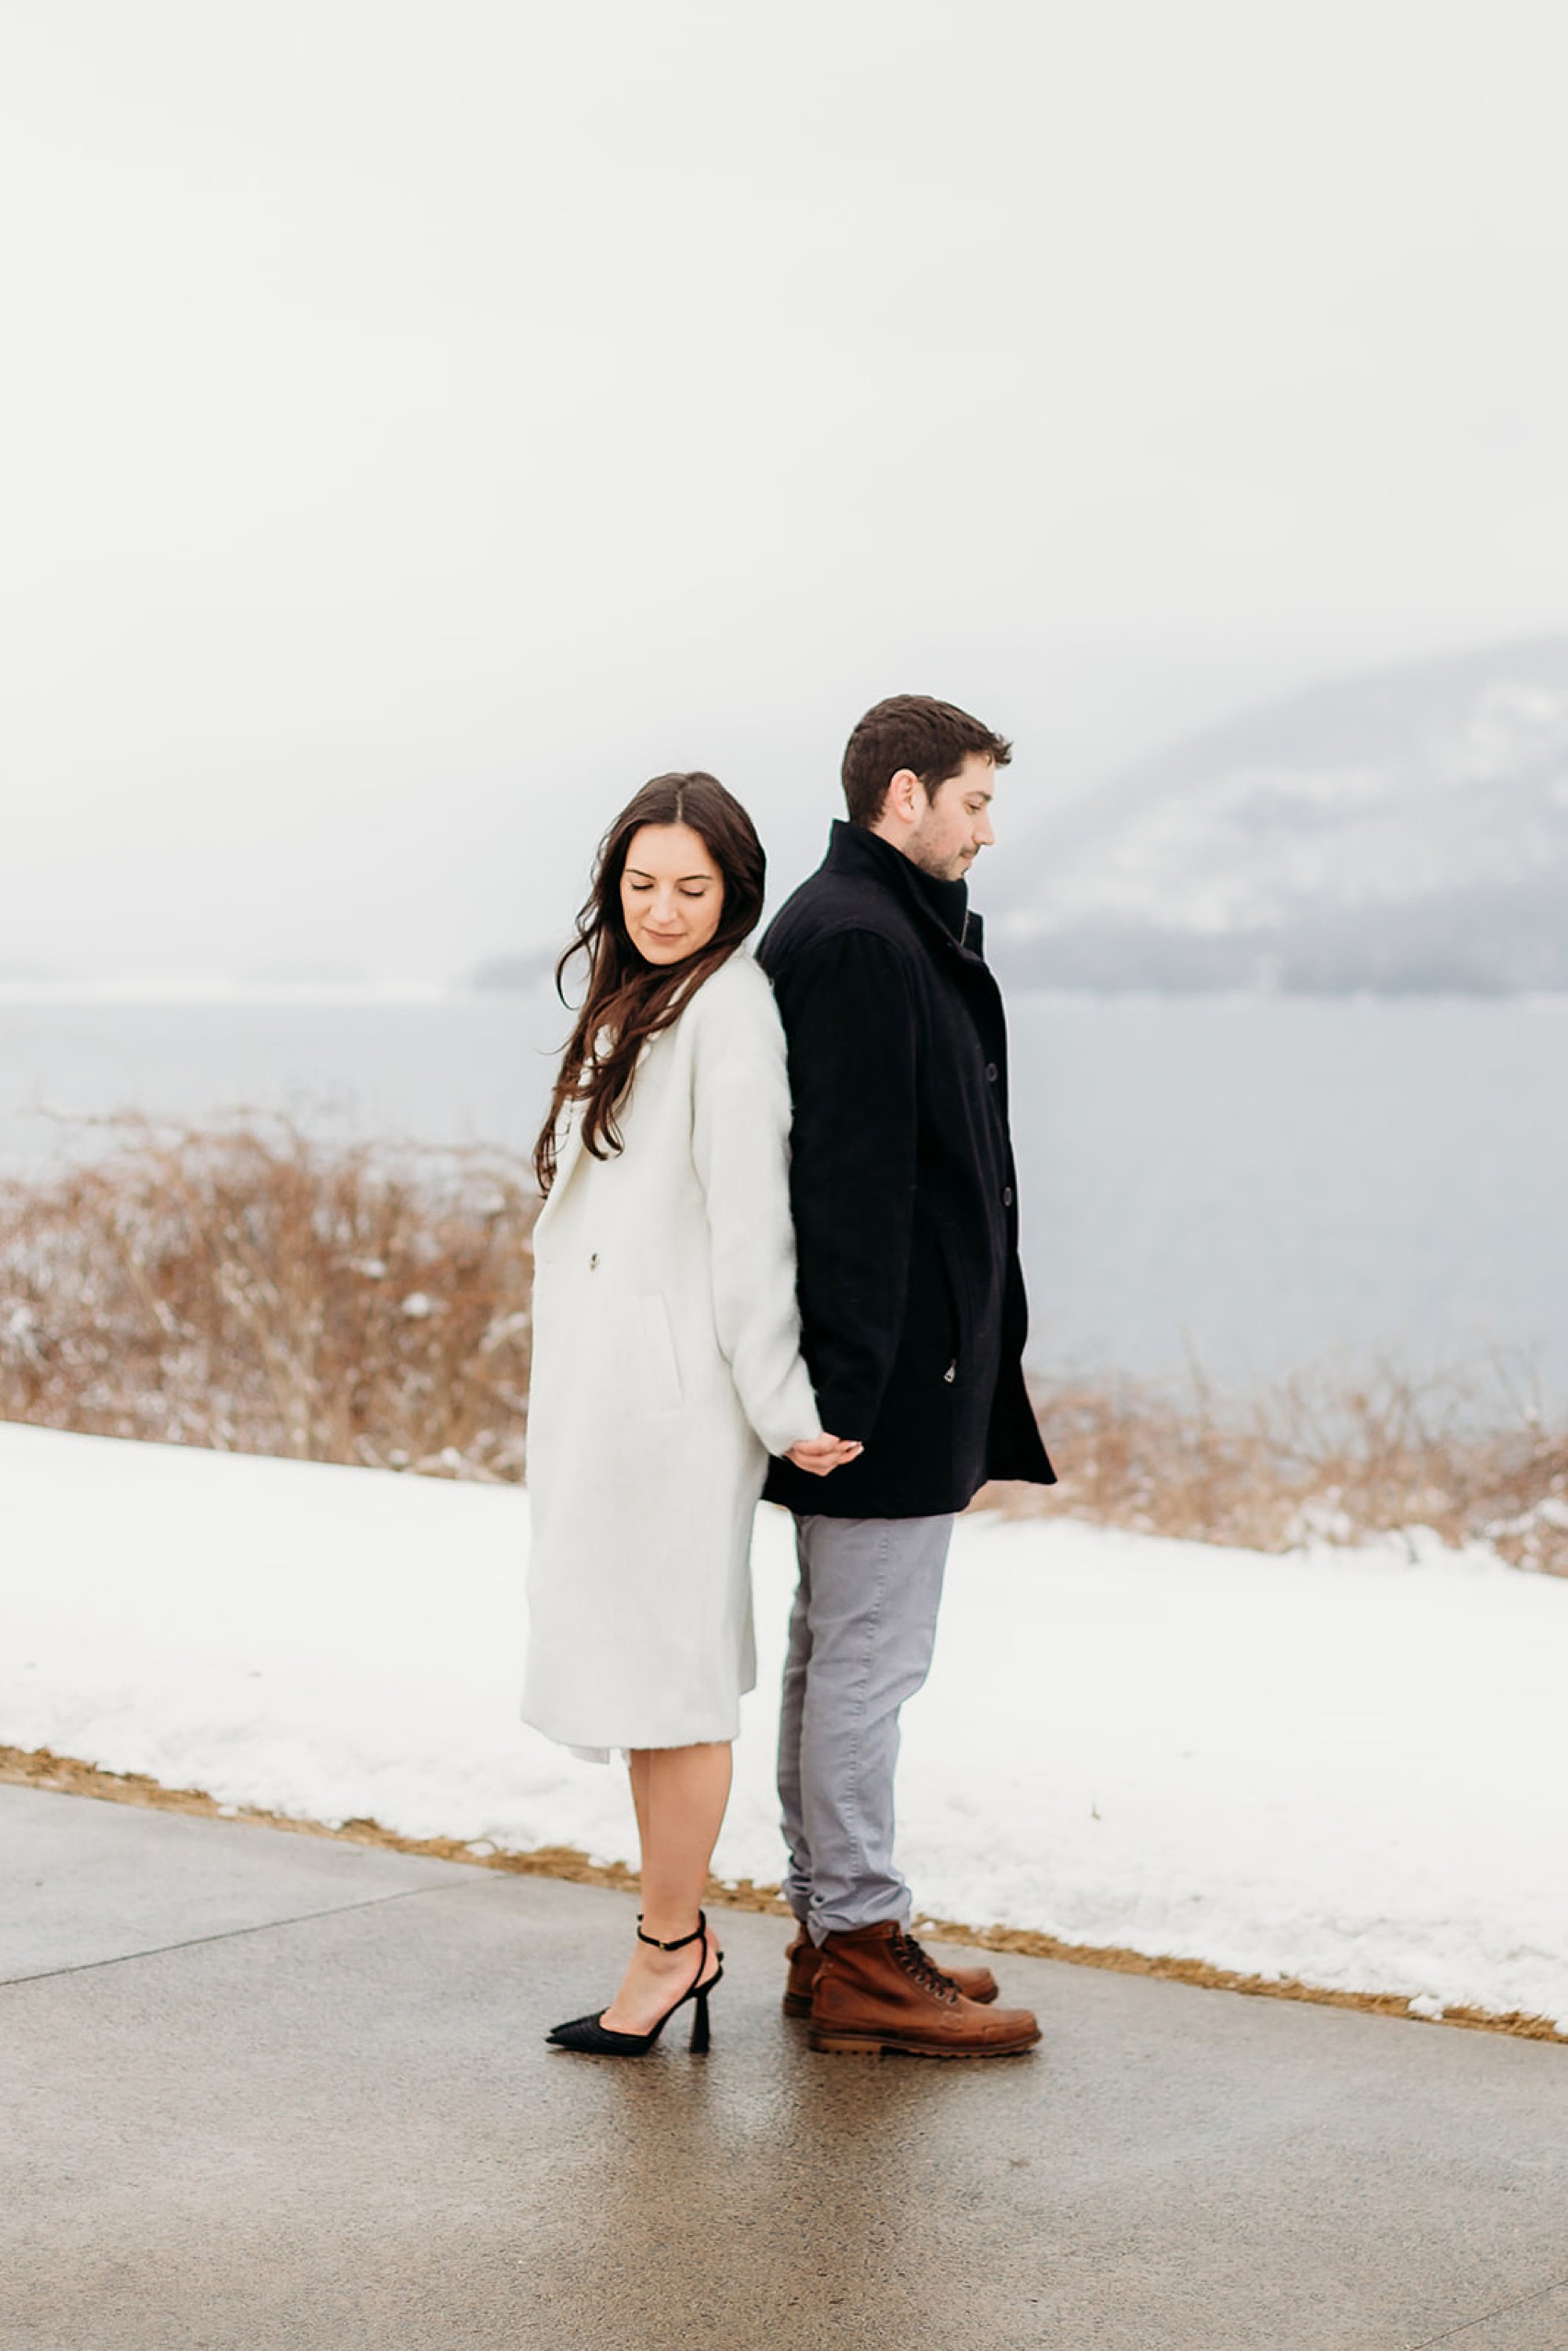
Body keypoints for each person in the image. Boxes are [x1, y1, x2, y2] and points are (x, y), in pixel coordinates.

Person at [523, 771, 859, 2057]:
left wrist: (781, 1404)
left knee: (676, 1680)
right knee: (633, 1670)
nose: (662, 909)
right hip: (605, 1403)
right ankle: (680, 1933)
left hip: (673, 1409)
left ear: (735, 894)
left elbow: (749, 1229)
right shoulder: (634, 999)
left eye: (692, 889)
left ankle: (670, 1948)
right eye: (642, 883)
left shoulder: (731, 1010)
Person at [757, 694, 1057, 2059]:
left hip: (895, 1363)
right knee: (870, 1658)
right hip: (885, 1376)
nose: (989, 829)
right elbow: (851, 1189)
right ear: (904, 801)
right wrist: (850, 1391)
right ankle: (861, 1944)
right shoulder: (864, 943)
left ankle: (836, 1933)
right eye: (975, 801)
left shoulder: (872, 928)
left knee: (841, 1655)